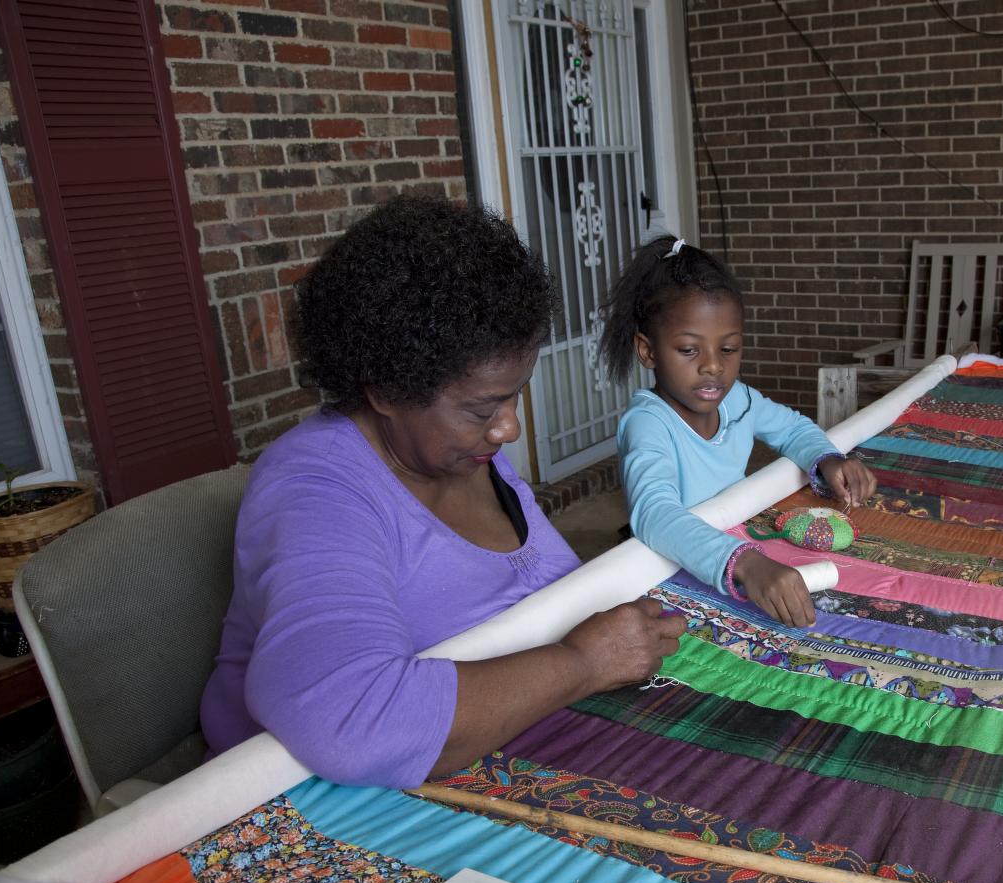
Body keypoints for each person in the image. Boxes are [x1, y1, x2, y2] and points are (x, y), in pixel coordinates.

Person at [200, 195, 684, 789]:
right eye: (483, 407)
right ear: (385, 389)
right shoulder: (315, 489)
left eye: (514, 395)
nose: (509, 428)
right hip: (303, 807)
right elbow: (355, 721)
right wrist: (584, 663)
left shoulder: (465, 456)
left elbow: (543, 589)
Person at [598, 236, 877, 629]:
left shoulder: (738, 400)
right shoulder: (649, 423)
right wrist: (746, 563)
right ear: (648, 351)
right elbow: (655, 515)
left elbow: (793, 428)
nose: (713, 367)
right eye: (690, 350)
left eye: (728, 350)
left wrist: (828, 459)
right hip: (678, 568)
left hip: (735, 542)